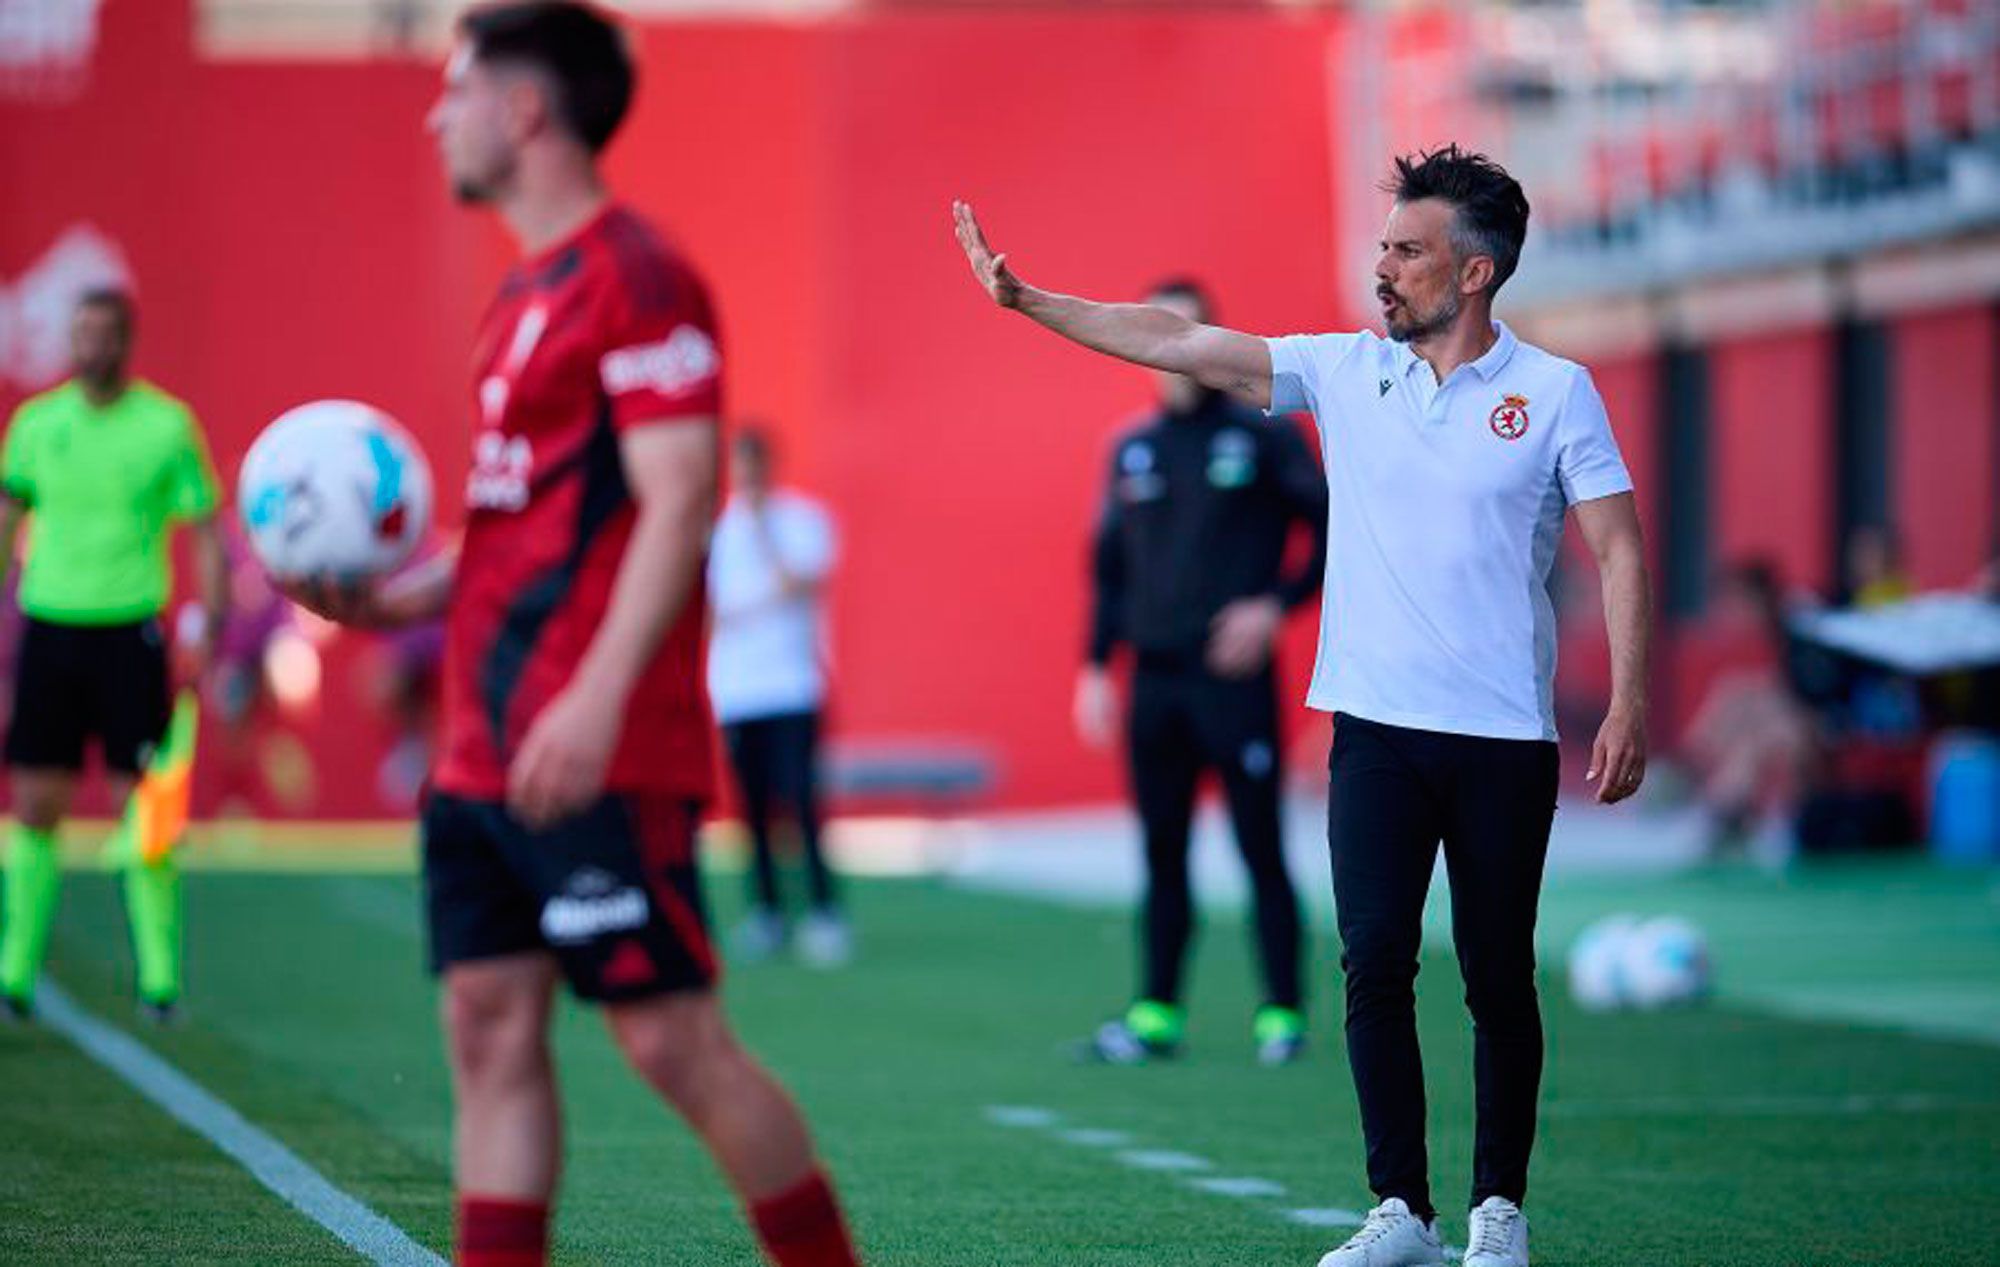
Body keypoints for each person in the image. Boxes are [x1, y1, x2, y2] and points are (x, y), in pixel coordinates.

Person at [953, 143, 1650, 1267]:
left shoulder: (1554, 393)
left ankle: (1496, 1214)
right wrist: (1029, 301)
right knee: (1372, 960)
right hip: (1372, 731)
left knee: (1494, 972)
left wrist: (1627, 701)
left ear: (1473, 274)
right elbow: (1173, 338)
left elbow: (1616, 549)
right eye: (1381, 246)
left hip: (1502, 739)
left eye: (1407, 251)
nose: (1382, 268)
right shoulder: (1340, 372)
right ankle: (1401, 1214)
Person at [288, 7, 860, 1265]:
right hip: (481, 749)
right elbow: (515, 525)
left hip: (592, 742)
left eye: (458, 89)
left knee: (669, 1042)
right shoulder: (519, 294)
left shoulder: (635, 276)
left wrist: (597, 696)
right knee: (486, 1027)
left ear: (525, 109)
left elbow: (680, 499)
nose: (437, 113)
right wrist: (394, 602)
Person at [1074, 277, 1325, 1067]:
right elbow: (1109, 570)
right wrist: (1091, 666)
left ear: (1212, 341)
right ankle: (1155, 1016)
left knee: (1259, 846)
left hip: (1234, 681)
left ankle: (1282, 1015)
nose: (1167, 348)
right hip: (1154, 680)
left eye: (1183, 330)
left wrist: (1271, 609)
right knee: (1160, 850)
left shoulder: (1265, 435)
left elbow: (1332, 536)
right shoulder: (1131, 445)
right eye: (1152, 330)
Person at [0, 287, 227, 1024]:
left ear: (126, 340)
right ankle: (14, 973)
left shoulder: (165, 426)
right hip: (51, 627)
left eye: (104, 331)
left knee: (145, 808)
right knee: (36, 801)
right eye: (81, 330)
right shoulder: (37, 425)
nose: (91, 344)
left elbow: (204, 527)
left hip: (130, 631)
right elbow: (9, 516)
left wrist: (210, 620)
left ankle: (160, 981)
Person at [707, 425, 849, 966]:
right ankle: (767, 911)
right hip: (737, 691)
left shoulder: (801, 520)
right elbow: (710, 609)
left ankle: (823, 912)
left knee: (803, 802)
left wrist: (764, 531)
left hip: (793, 686)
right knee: (753, 809)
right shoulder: (716, 530)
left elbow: (800, 583)